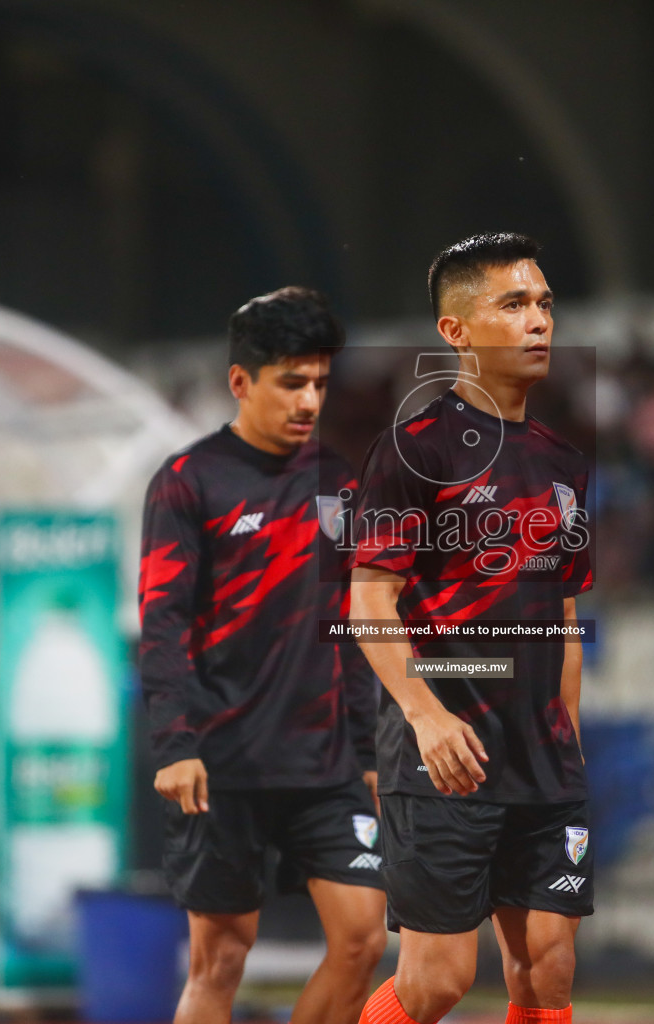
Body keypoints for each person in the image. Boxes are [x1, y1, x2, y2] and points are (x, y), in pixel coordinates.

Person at [350, 233, 592, 1024]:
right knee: (438, 981)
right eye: (514, 305)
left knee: (547, 973)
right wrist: (423, 715)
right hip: (446, 750)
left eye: (545, 304)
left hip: (540, 757)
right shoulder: (411, 454)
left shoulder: (564, 465)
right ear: (456, 332)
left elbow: (562, 618)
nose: (538, 322)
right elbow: (369, 604)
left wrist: (570, 739)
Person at [138, 287, 386, 1024]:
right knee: (221, 961)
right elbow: (163, 623)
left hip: (325, 765)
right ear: (241, 382)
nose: (310, 399)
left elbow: (349, 615)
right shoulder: (188, 483)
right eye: (292, 382)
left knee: (364, 940)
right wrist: (176, 745)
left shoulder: (338, 481)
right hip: (222, 763)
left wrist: (367, 748)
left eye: (319, 382)